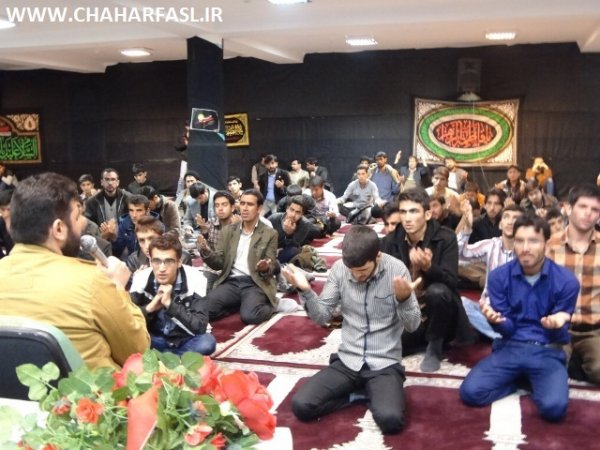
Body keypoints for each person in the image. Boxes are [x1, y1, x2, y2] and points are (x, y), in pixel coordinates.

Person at [0, 172, 149, 369]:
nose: (84, 223)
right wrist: (118, 288)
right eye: (78, 216)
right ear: (59, 229)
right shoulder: (93, 282)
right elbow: (138, 352)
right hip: (90, 389)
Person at [282, 226, 421, 434]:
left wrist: (404, 299)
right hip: (348, 360)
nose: (356, 277)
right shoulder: (340, 269)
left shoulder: (396, 270)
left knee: (391, 420)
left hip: (384, 363)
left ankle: (377, 393)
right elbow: (322, 316)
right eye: (352, 271)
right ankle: (357, 396)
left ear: (377, 256)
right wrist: (306, 290)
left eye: (362, 271)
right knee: (301, 405)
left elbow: (413, 325)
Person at [459, 215, 579, 422]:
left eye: (533, 241)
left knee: (554, 409)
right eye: (519, 241)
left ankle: (526, 379)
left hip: (547, 351)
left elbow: (560, 337)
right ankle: (520, 381)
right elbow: (508, 330)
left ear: (547, 243)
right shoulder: (498, 277)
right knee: (470, 393)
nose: (525, 248)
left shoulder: (566, 281)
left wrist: (558, 323)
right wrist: (496, 321)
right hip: (510, 347)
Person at [381, 189, 471, 372]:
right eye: (403, 212)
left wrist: (429, 267)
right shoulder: (390, 241)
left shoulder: (446, 237)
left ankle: (435, 345)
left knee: (437, 291)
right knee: (381, 349)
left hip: (439, 313)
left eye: (413, 211)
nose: (407, 218)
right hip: (407, 313)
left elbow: (452, 282)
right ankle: (420, 341)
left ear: (428, 214)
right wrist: (400, 294)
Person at [198, 189, 278, 324]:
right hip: (231, 282)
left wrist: (265, 267)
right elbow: (219, 263)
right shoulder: (228, 230)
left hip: (255, 282)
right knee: (203, 309)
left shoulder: (270, 233)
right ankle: (235, 305)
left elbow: (272, 265)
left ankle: (274, 305)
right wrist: (206, 251)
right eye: (242, 203)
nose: (245, 208)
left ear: (259, 208)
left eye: (250, 204)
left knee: (250, 316)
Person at [547, 183, 600, 384]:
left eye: (595, 209)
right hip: (558, 328)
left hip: (594, 330)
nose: (588, 213)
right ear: (568, 209)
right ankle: (568, 361)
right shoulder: (549, 246)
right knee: (544, 373)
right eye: (583, 206)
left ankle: (577, 360)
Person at [130, 234, 216, 356]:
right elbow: (128, 321)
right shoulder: (140, 279)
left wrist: (170, 305)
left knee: (207, 343)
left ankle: (161, 357)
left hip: (184, 339)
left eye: (169, 261)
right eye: (156, 261)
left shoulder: (196, 279)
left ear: (179, 262)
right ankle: (175, 358)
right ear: (150, 261)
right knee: (128, 339)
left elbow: (200, 326)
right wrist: (150, 308)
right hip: (154, 338)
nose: (162, 268)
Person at [456, 203, 525, 338]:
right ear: (500, 225)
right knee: (462, 303)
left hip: (516, 313)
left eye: (516, 218)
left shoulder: (529, 250)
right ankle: (501, 337)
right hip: (488, 309)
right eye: (506, 217)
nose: (510, 222)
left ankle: (500, 334)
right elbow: (459, 255)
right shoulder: (491, 245)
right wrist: (467, 229)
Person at [269, 195, 321, 264]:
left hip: (282, 253)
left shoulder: (305, 224)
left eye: (298, 212)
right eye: (291, 210)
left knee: (294, 251)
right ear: (287, 209)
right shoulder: (274, 218)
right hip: (268, 250)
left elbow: (294, 245)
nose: (293, 215)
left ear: (302, 214)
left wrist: (289, 234)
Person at [112, 194, 158, 258]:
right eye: (131, 210)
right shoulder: (125, 224)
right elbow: (117, 251)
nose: (134, 215)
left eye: (139, 210)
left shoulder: (158, 227)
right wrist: (112, 237)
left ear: (147, 211)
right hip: (133, 260)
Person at [368, 151, 401, 218]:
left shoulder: (391, 173)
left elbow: (395, 191)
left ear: (385, 159)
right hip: (374, 205)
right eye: (377, 160)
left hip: (387, 204)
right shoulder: (372, 173)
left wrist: (399, 182)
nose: (379, 161)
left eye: (381, 159)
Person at [0, 190, 13, 258]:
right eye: (2, 209)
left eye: (9, 209)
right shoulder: (1, 223)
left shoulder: (27, 222)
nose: (5, 214)